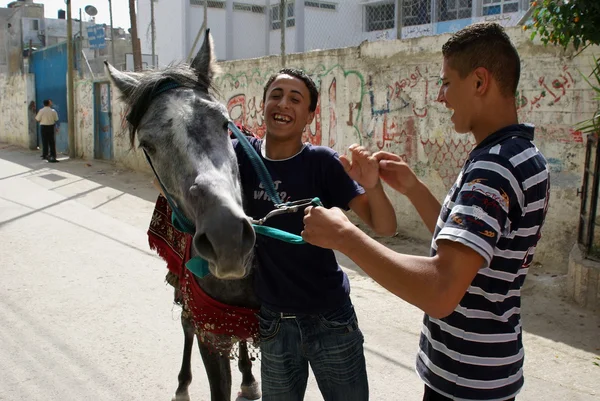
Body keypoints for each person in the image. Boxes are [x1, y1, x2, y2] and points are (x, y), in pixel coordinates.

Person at [302, 22, 550, 401]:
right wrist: (413, 189)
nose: (440, 96)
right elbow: (473, 249)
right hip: (489, 368)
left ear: (480, 82)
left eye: (447, 83)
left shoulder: (493, 168)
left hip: (464, 380)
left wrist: (345, 237)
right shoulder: (523, 155)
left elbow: (440, 290)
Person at [233, 67, 397, 401]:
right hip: (274, 323)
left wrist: (372, 185)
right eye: (276, 95)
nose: (284, 104)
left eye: (296, 99)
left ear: (310, 115)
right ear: (262, 104)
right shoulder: (239, 156)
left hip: (331, 320)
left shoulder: (322, 162)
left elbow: (385, 227)